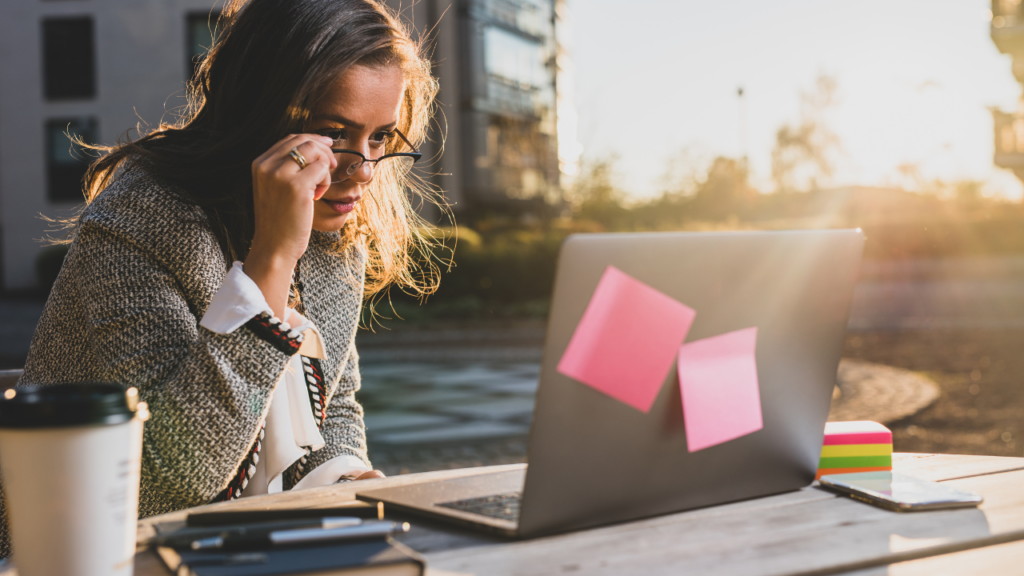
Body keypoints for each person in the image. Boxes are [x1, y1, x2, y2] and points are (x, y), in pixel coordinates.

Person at [4, 0, 442, 558]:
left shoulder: (336, 237)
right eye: (334, 134)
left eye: (380, 138)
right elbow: (163, 483)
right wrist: (273, 259)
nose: (362, 172)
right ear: (259, 113)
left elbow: (334, 404)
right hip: (80, 557)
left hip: (244, 549)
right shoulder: (139, 221)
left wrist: (346, 484)